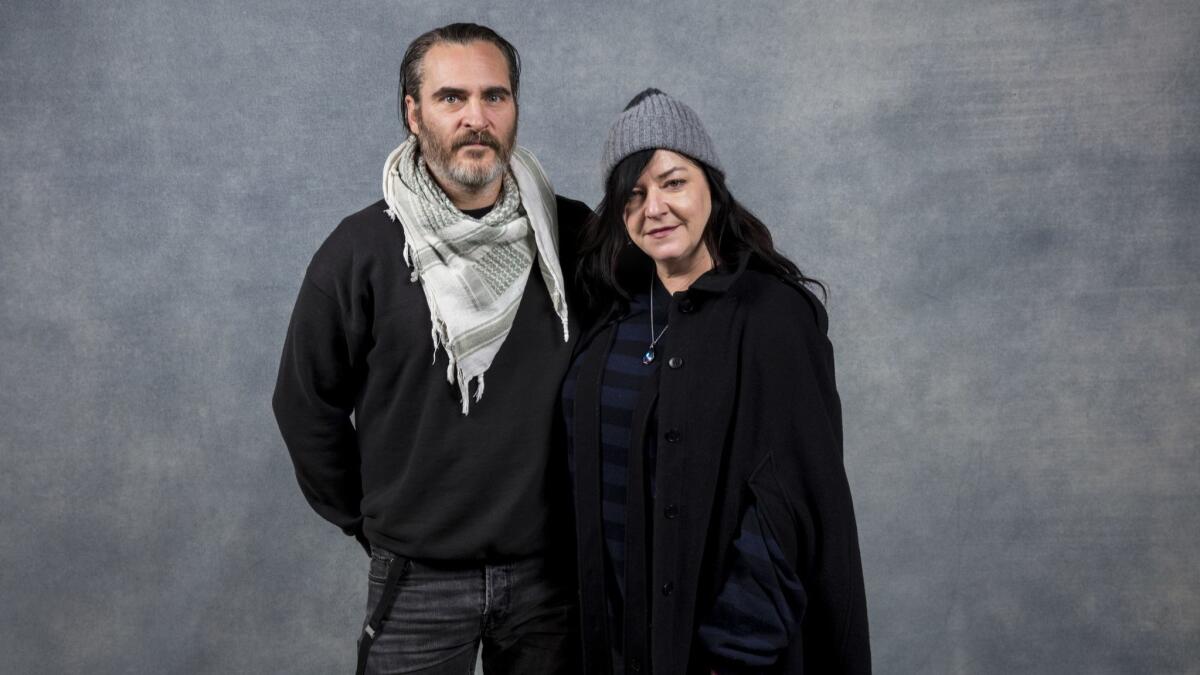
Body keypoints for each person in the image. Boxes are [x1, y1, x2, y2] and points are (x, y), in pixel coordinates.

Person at [271, 23, 590, 675]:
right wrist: (374, 520)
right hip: (417, 579)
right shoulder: (362, 250)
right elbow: (305, 405)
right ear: (413, 113)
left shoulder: (575, 234)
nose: (477, 117)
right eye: (452, 98)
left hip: (552, 579)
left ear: (514, 110)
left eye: (495, 96)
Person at [561, 89, 871, 674]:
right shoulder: (611, 317)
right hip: (608, 646)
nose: (654, 208)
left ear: (712, 188)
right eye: (633, 194)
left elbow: (790, 510)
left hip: (714, 655)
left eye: (673, 182)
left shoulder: (771, 318)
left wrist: (726, 656)